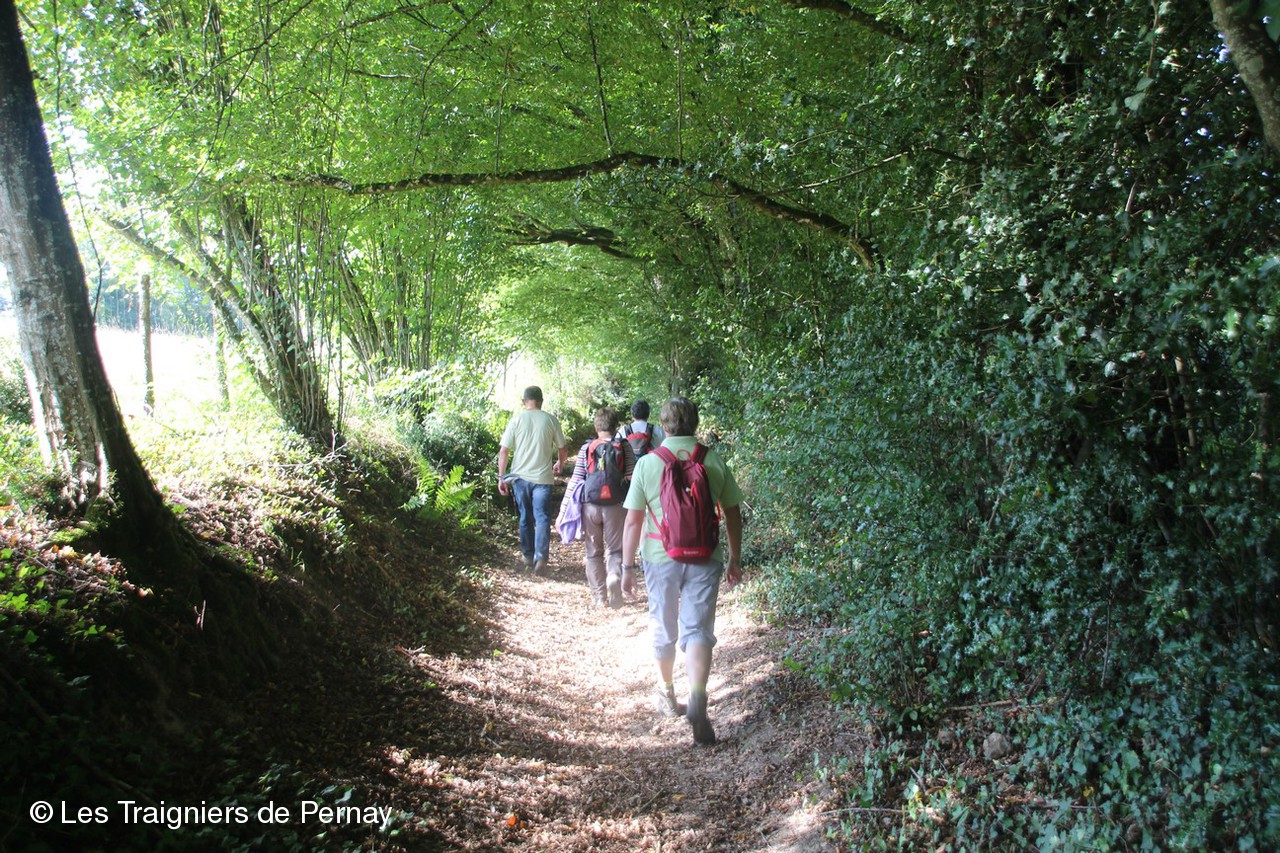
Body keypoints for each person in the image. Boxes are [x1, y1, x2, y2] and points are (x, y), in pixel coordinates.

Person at [622, 396, 744, 746]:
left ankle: (666, 691)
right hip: (706, 555)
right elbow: (732, 514)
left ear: (664, 426)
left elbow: (633, 521)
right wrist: (735, 559)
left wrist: (626, 566)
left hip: (659, 556)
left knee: (663, 624)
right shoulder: (713, 459)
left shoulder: (648, 463)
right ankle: (698, 695)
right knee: (698, 629)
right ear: (695, 423)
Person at [565, 407, 636, 607]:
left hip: (590, 506)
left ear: (596, 427)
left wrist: (563, 511)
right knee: (615, 550)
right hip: (616, 505)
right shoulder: (624, 446)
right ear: (616, 427)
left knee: (593, 552)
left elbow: (576, 480)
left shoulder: (587, 447)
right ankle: (613, 576)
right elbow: (631, 476)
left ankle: (599, 597)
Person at [497, 386, 567, 575]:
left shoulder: (516, 420)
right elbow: (562, 448)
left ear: (524, 401)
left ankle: (528, 556)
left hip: (520, 479)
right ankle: (541, 558)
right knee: (542, 517)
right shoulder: (551, 420)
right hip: (543, 479)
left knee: (525, 516)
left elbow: (504, 450)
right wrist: (559, 463)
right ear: (541, 401)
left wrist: (501, 477)